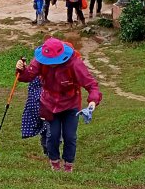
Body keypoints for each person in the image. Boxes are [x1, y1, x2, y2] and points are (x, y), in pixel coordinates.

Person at [16, 37, 101, 172]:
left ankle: (68, 166)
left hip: (71, 104)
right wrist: (20, 70)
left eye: (54, 62)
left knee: (70, 136)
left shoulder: (74, 63)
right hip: (49, 104)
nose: (51, 64)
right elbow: (27, 76)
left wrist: (92, 101)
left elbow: (91, 84)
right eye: (48, 62)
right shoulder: (40, 60)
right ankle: (55, 164)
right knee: (53, 135)